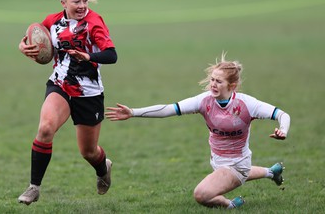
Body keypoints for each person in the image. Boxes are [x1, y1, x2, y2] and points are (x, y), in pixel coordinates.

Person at [106, 53, 290, 209]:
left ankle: (231, 205)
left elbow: (282, 114)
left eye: (219, 81)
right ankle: (272, 172)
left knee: (201, 194)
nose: (213, 85)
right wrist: (132, 112)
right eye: (212, 80)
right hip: (218, 162)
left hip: (237, 165)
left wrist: (283, 130)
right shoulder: (205, 101)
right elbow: (168, 109)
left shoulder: (246, 104)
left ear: (231, 86)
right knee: (229, 174)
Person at [17, 0, 118, 205]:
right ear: (63, 3)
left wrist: (88, 56)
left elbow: (111, 55)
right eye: (76, 1)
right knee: (45, 128)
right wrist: (23, 46)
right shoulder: (52, 21)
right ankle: (34, 187)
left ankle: (103, 168)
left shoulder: (94, 22)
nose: (82, 6)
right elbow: (34, 38)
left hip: (88, 92)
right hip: (60, 85)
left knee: (88, 152)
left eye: (85, 1)